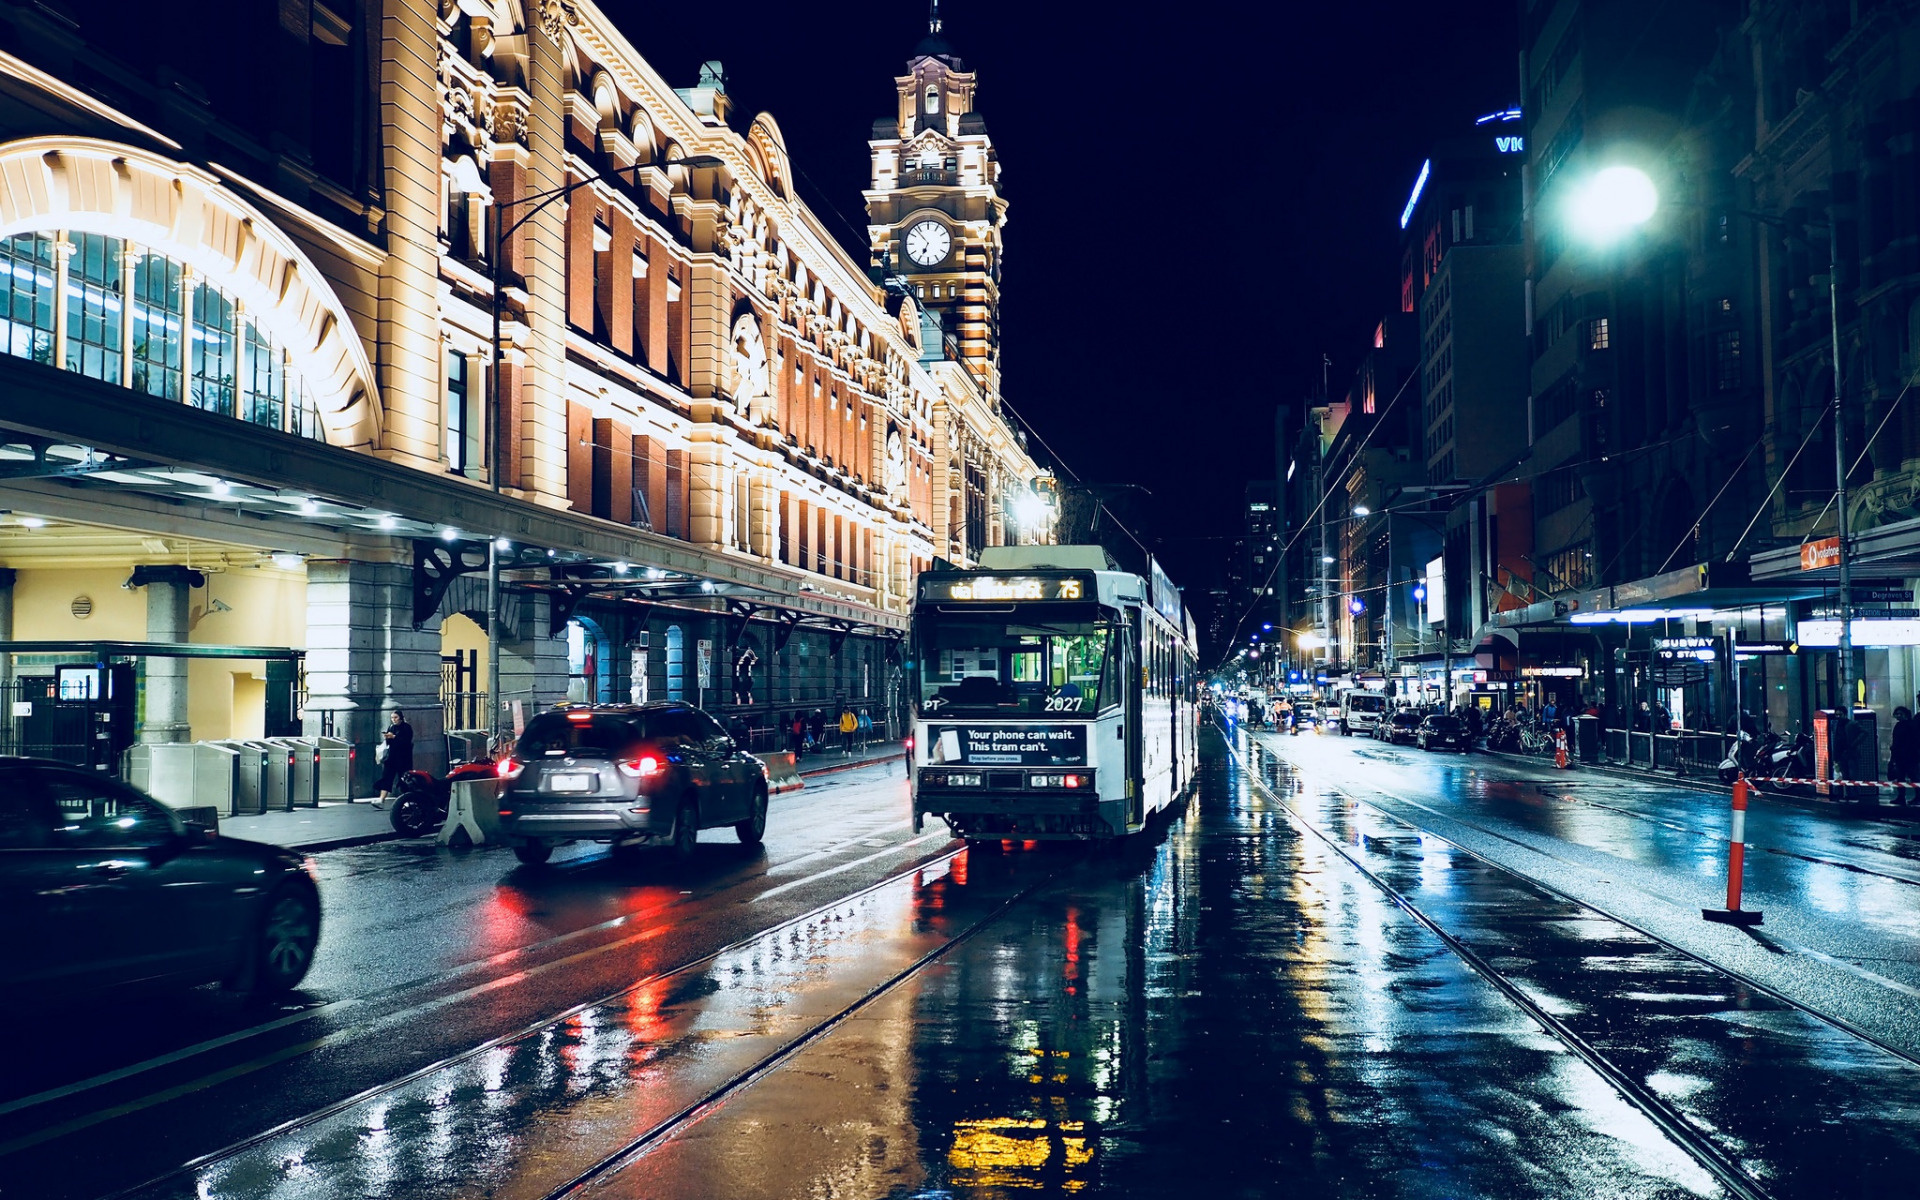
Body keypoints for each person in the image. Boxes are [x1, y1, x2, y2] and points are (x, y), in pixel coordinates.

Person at [374, 708, 414, 806]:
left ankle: (407, 800)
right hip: (391, 758)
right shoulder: (391, 727)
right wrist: (388, 737)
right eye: (392, 717)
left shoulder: (406, 727)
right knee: (387, 777)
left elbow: (406, 741)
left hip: (403, 759)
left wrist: (394, 737)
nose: (394, 719)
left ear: (401, 718)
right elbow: (389, 743)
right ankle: (381, 799)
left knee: (404, 779)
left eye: (396, 717)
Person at [1889, 707, 1919, 806]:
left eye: (1900, 714)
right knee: (1900, 777)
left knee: (1913, 776)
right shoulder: (1899, 725)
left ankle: (1917, 796)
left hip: (1909, 755)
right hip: (1900, 755)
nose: (1898, 716)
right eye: (1897, 714)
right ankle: (1901, 796)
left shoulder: (1910, 725)